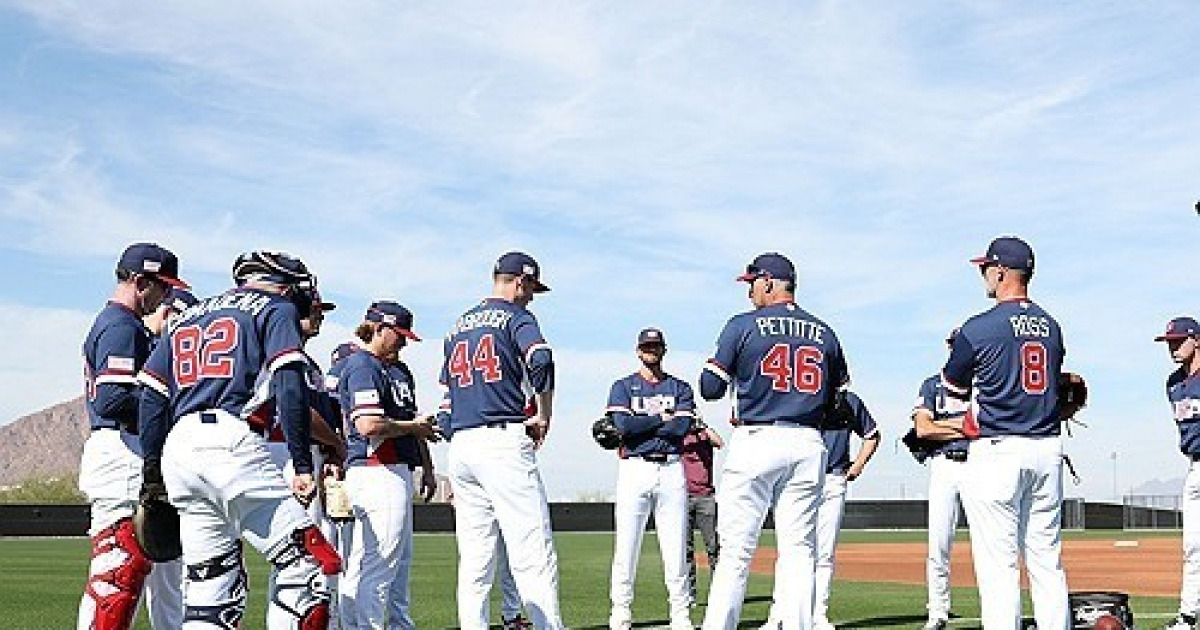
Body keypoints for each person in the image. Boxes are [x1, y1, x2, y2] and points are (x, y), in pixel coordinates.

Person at [138, 250, 341, 629]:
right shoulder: (274, 306)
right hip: (232, 439)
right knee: (310, 565)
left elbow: (151, 395)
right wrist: (301, 463)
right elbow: (289, 386)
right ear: (286, 285)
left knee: (208, 587)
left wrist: (152, 470)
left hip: (180, 446)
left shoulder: (190, 315)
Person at [698, 252, 850, 630]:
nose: (749, 291)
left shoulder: (742, 325)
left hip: (758, 438)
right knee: (800, 550)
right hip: (808, 443)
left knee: (735, 551)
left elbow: (710, 388)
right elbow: (840, 401)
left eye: (751, 283)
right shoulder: (825, 332)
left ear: (768, 282)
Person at [941, 236, 1069, 629]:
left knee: (999, 567)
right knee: (1047, 561)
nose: (984, 275)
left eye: (986, 268)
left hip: (998, 449)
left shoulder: (978, 327)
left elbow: (953, 393)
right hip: (1047, 448)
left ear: (1000, 271)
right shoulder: (1051, 326)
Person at [439, 251, 564, 630]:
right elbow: (541, 358)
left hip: (462, 446)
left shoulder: (457, 325)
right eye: (531, 289)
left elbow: (446, 397)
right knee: (532, 552)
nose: (531, 297)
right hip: (502, 440)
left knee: (476, 562)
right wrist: (544, 412)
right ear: (520, 281)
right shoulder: (517, 316)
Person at [78, 242, 188, 630]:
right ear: (141, 282)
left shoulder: (127, 325)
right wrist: (167, 404)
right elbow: (112, 399)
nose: (167, 295)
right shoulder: (121, 326)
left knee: (161, 577)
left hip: (130, 450)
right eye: (163, 287)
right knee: (116, 575)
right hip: (120, 449)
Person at [335, 301, 438, 629]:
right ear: (379, 328)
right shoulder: (363, 365)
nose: (404, 343)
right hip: (376, 468)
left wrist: (428, 465)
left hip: (395, 470)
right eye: (400, 335)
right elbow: (369, 425)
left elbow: (411, 419)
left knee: (388, 564)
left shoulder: (398, 370)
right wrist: (415, 428)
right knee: (376, 566)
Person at [761, 391, 881, 630]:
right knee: (790, 550)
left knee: (824, 553)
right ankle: (779, 616)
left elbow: (872, 435)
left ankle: (818, 616)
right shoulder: (800, 395)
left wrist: (858, 465)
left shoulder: (849, 401)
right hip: (798, 479)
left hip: (833, 479)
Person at [606, 327, 696, 630]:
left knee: (675, 548)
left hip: (671, 468)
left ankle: (681, 614)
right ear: (638, 350)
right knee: (626, 547)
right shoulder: (622, 386)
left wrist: (641, 424)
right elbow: (623, 427)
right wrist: (660, 419)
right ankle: (621, 612)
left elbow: (681, 428)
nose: (651, 351)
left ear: (664, 350)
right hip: (635, 468)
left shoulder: (680, 388)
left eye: (656, 347)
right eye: (647, 347)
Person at [912, 331, 972, 630]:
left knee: (993, 542)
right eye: (954, 346)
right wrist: (968, 427)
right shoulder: (932, 385)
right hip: (944, 465)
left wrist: (943, 426)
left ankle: (997, 611)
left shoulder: (985, 384)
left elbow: (990, 427)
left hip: (980, 464)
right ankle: (937, 612)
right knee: (939, 543)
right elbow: (923, 430)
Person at [1154, 317, 1200, 630]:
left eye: (1179, 340)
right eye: (1169, 342)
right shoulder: (1173, 383)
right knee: (1193, 546)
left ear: (1196, 340)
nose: (1172, 346)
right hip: (1195, 466)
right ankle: (1187, 616)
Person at [682, 416, 723, 607]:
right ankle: (689, 593)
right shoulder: (678, 435)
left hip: (705, 496)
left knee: (713, 546)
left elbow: (719, 442)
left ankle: (719, 591)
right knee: (685, 550)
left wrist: (703, 426)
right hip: (681, 497)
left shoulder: (704, 435)